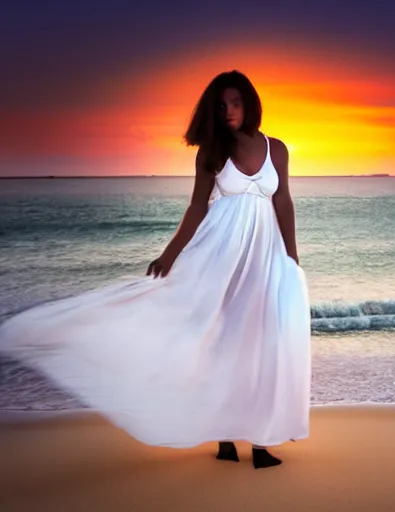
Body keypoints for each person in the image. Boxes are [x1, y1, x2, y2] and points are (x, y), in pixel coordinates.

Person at [0, 69, 311, 470]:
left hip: (264, 256)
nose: (230, 111)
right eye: (222, 106)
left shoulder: (277, 149)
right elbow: (198, 208)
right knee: (223, 341)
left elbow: (283, 201)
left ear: (250, 104)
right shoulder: (212, 153)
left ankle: (263, 443)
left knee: (263, 340)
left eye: (235, 103)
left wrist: (292, 256)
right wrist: (170, 255)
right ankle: (225, 437)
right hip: (219, 255)